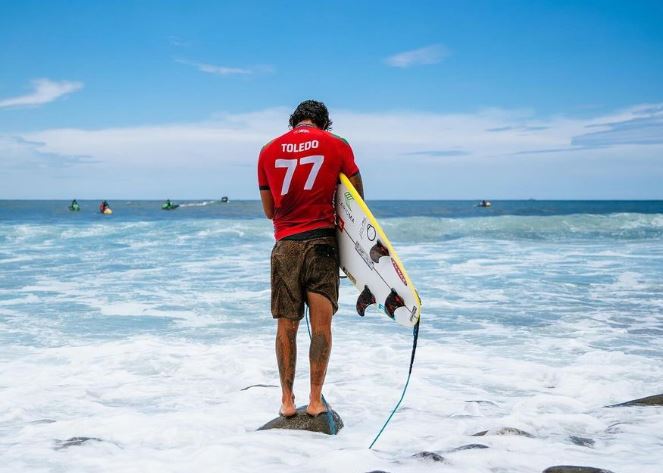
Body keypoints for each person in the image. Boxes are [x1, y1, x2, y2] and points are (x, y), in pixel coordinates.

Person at [257, 100, 363, 417]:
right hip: (322, 245)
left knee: (285, 326)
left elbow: (268, 211)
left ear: (294, 122)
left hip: (285, 245)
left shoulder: (267, 150)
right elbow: (356, 204)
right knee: (321, 326)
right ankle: (315, 402)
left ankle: (287, 402)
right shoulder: (337, 144)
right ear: (324, 123)